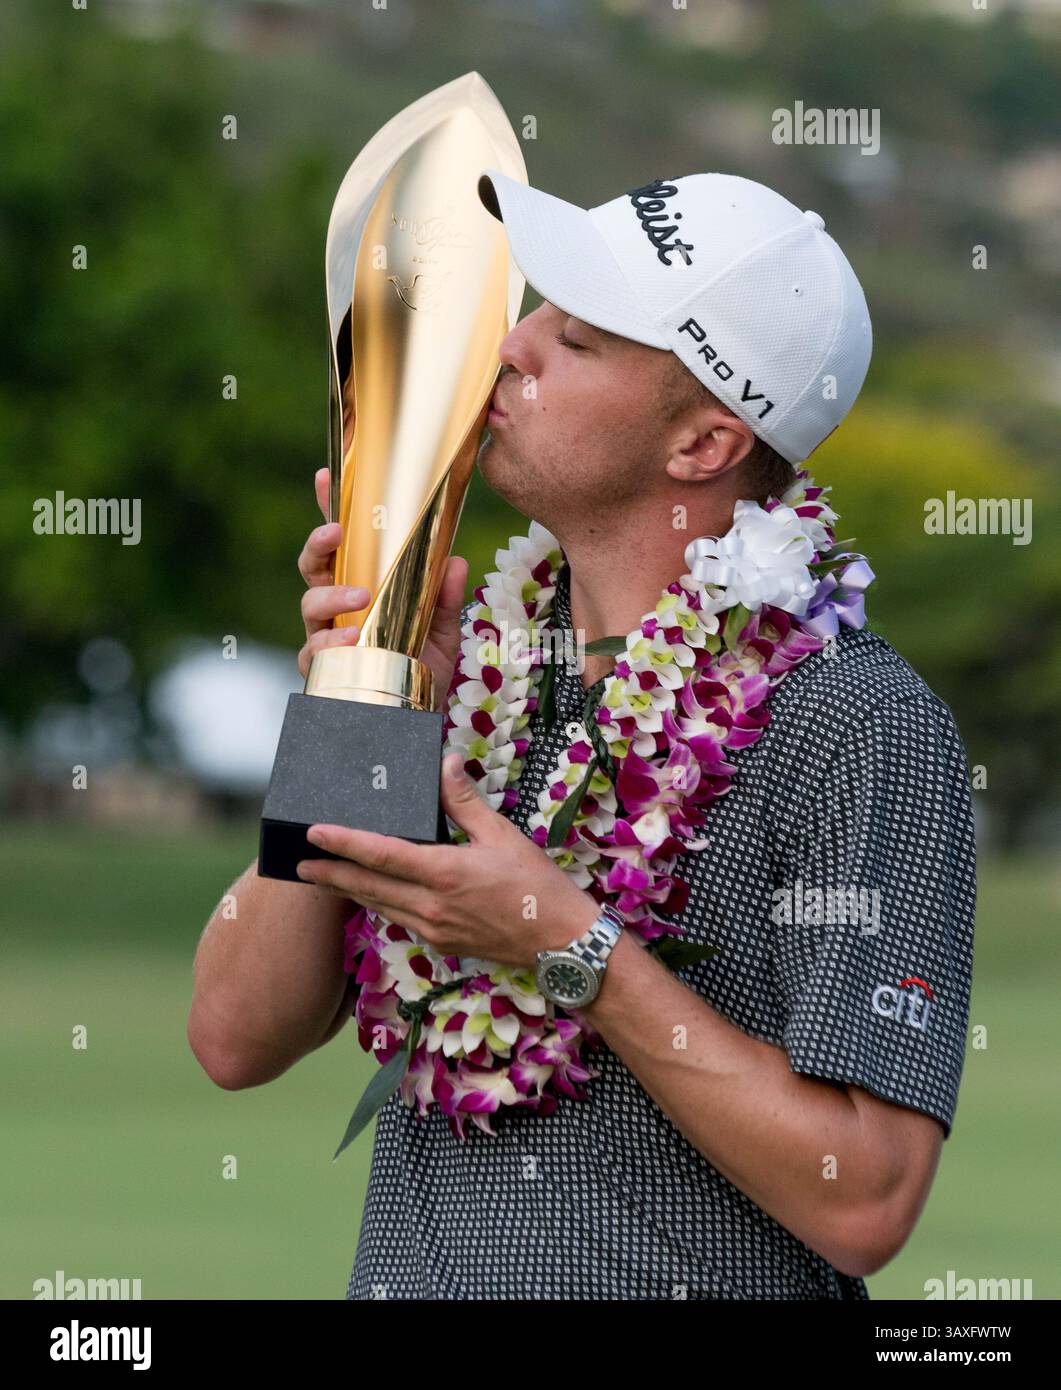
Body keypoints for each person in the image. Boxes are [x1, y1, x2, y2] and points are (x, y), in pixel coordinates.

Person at [188, 171, 976, 1300]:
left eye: (580, 339)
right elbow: (232, 1038)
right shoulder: (474, 664)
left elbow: (866, 1195)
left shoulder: (861, 720)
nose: (510, 349)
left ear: (702, 445)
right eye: (534, 311)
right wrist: (366, 694)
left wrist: (563, 939)